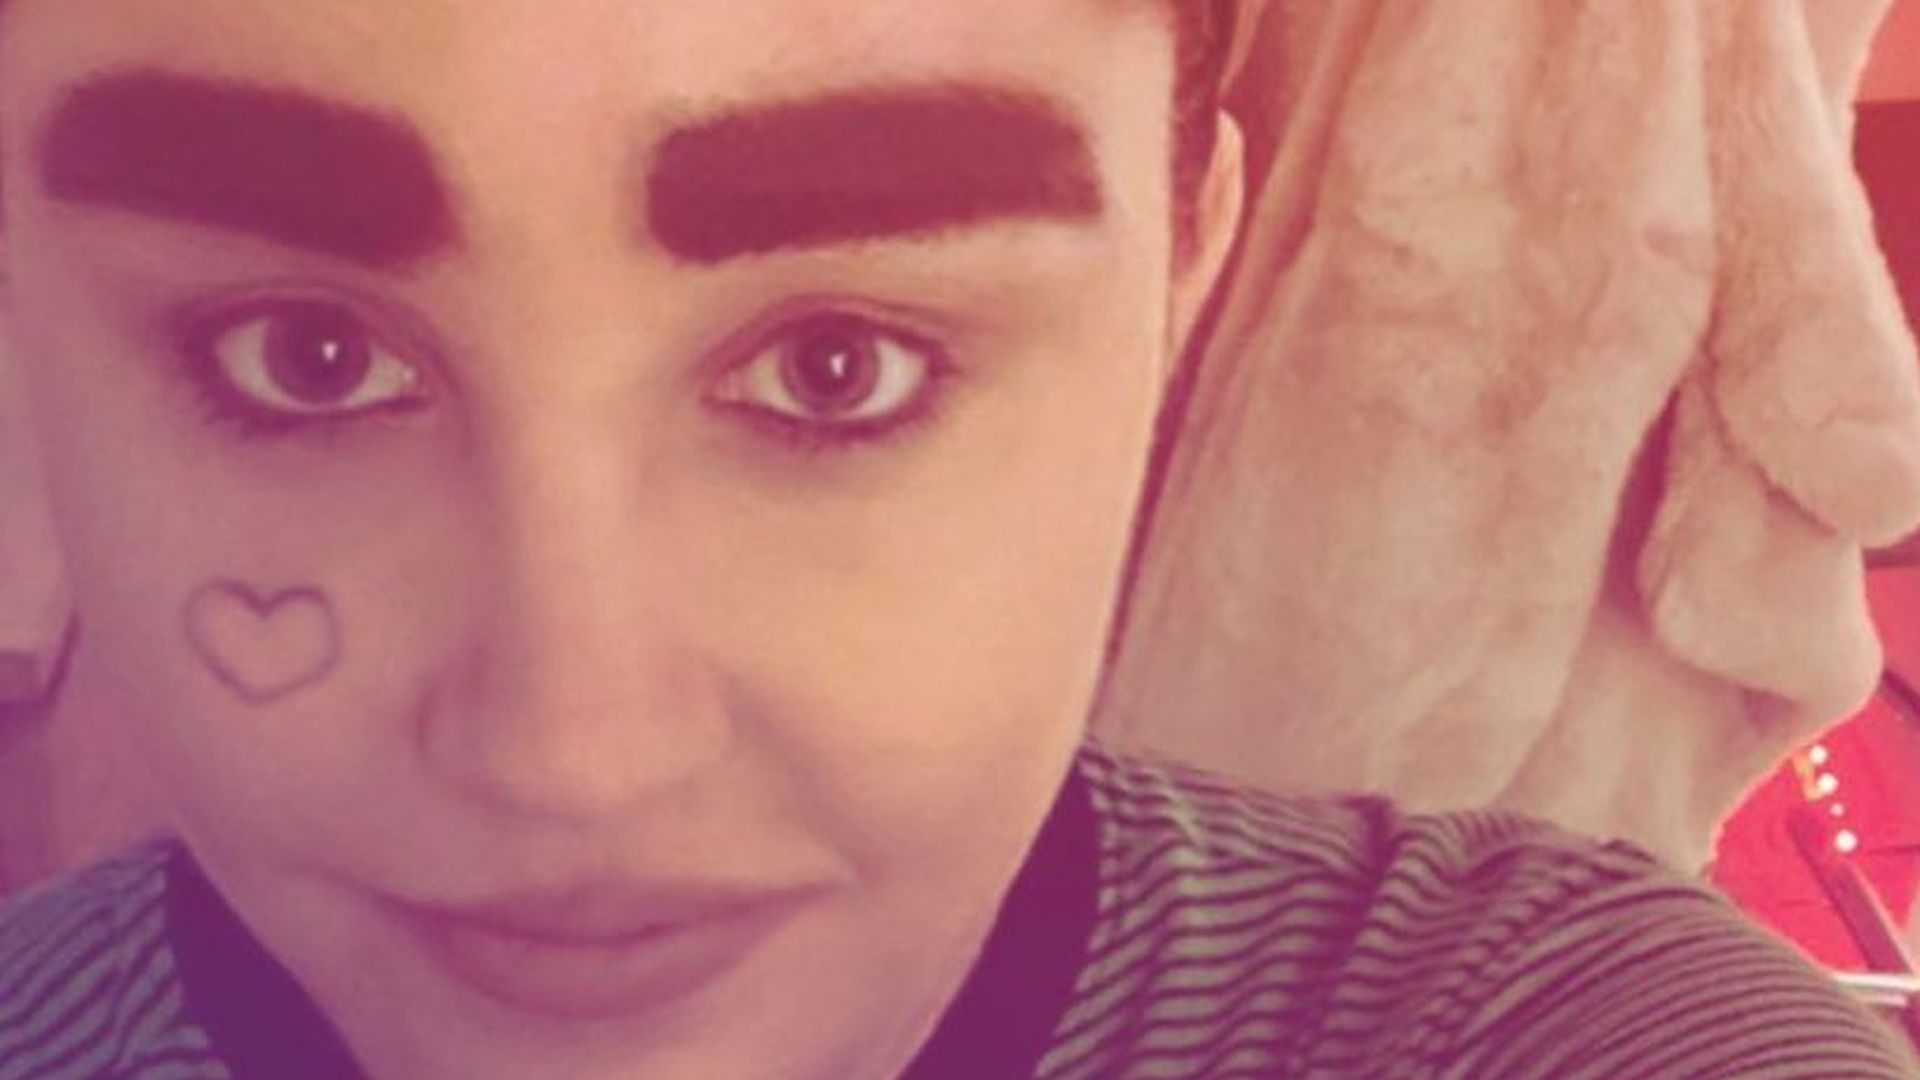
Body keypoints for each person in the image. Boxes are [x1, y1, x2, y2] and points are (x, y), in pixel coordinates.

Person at [0, 1, 1915, 1078]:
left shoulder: (1540, 1032)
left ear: (1177, 276)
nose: (573, 758)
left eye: (838, 366)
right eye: (306, 356)